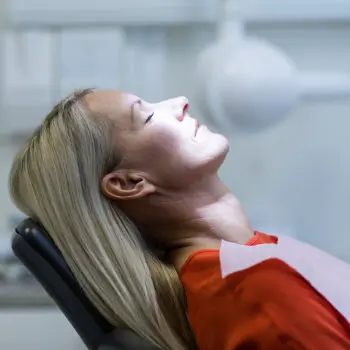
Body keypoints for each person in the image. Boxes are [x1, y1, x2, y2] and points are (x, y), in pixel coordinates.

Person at [9, 89, 350, 350]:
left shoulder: (244, 269)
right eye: (146, 117)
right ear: (129, 183)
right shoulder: (253, 290)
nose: (181, 101)